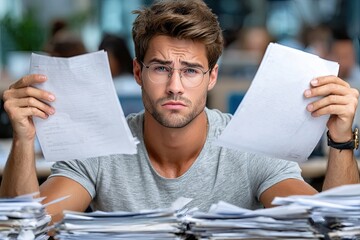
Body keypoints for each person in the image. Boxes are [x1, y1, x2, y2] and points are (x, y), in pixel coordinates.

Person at [1, 0, 359, 224]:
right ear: (139, 73)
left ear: (212, 77)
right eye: (160, 68)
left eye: (190, 70)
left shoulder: (251, 144)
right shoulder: (101, 144)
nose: (175, 85)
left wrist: (342, 140)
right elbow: (29, 225)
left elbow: (332, 223)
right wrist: (23, 138)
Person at [98, 33, 143, 115]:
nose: (103, 64)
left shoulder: (126, 86)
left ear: (120, 59)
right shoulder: (137, 84)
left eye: (108, 59)